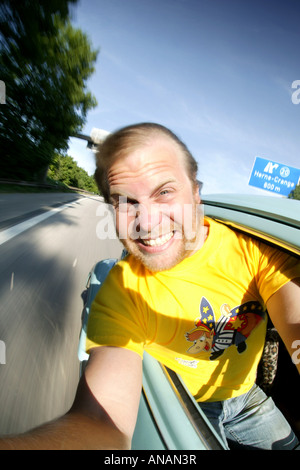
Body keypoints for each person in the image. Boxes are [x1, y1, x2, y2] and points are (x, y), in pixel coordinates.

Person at [0, 123, 299, 450]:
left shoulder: (255, 251)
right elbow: (102, 422)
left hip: (247, 399)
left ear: (196, 192)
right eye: (126, 202)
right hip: (188, 405)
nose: (147, 220)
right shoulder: (122, 289)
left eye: (164, 192)